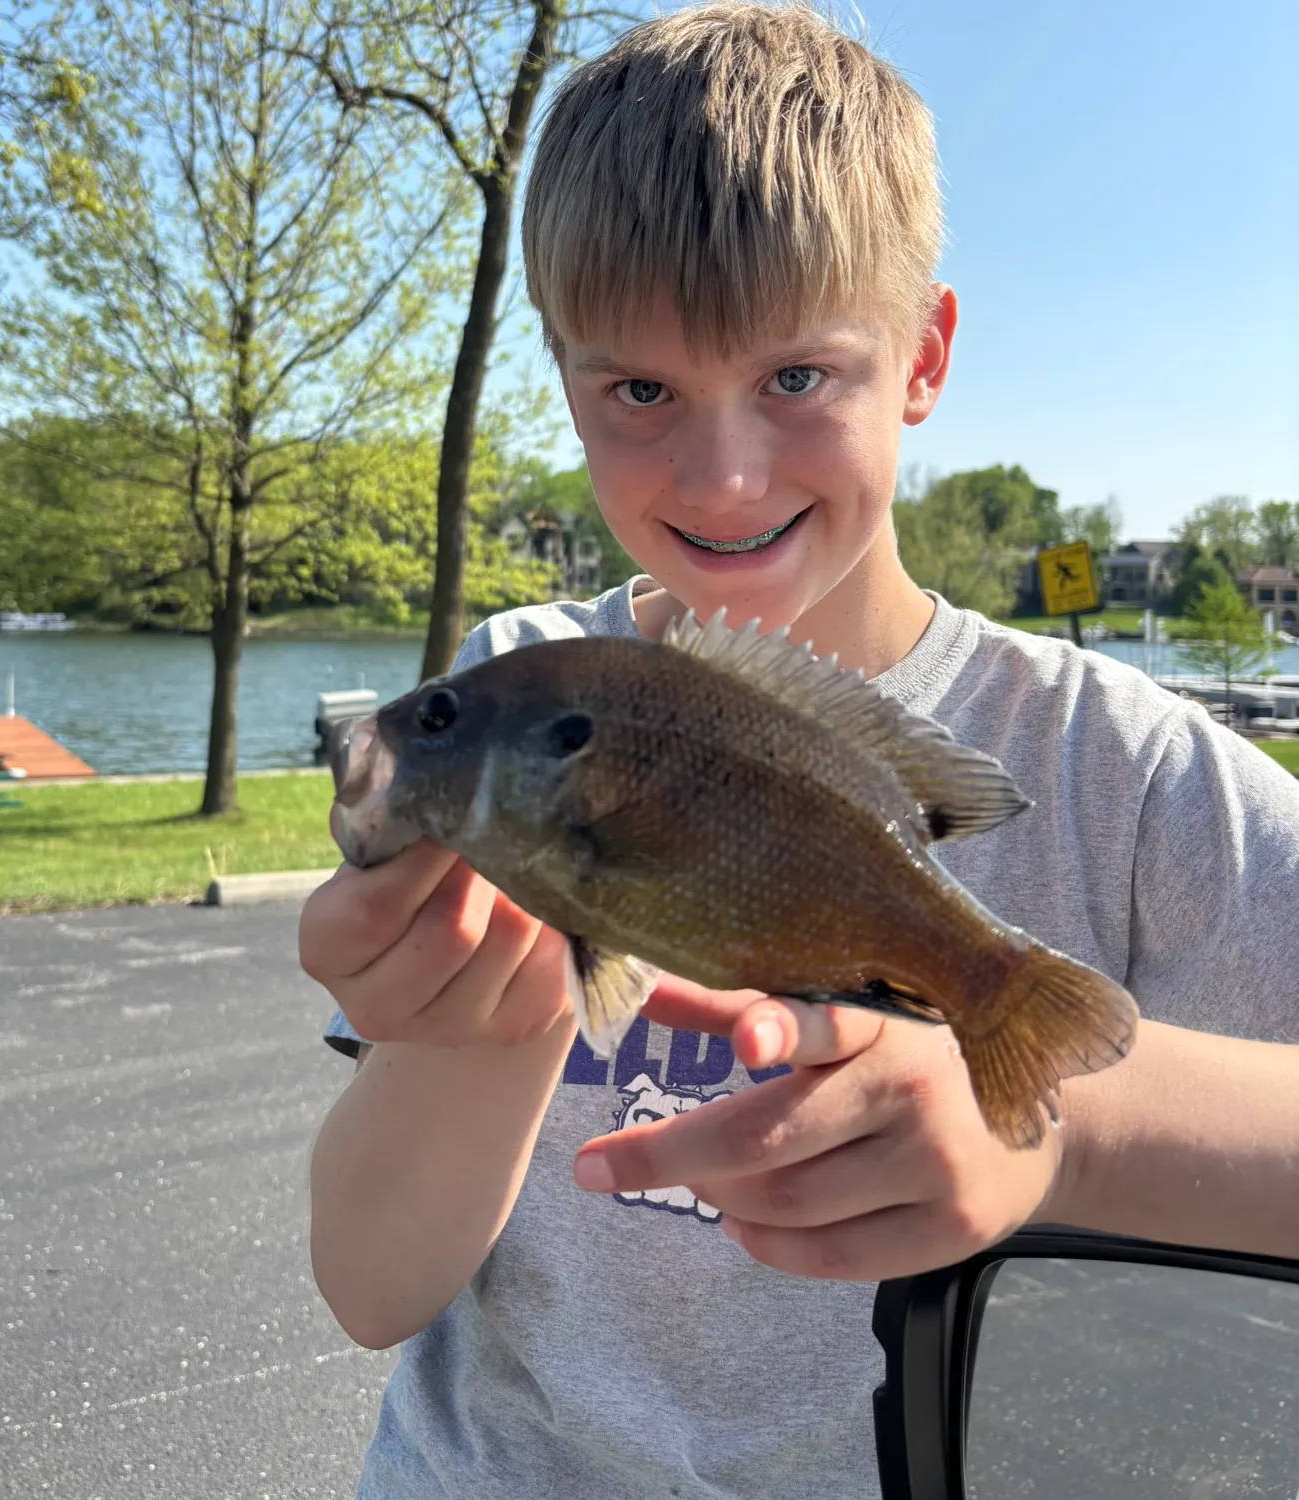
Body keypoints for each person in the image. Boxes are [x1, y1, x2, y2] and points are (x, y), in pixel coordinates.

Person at [300, 5, 1299, 1496]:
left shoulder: (1135, 778)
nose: (723, 475)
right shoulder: (515, 691)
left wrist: (1068, 1137)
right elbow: (370, 1292)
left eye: (798, 379)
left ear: (923, 356)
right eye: (638, 391)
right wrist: (465, 1038)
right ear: (563, 375)